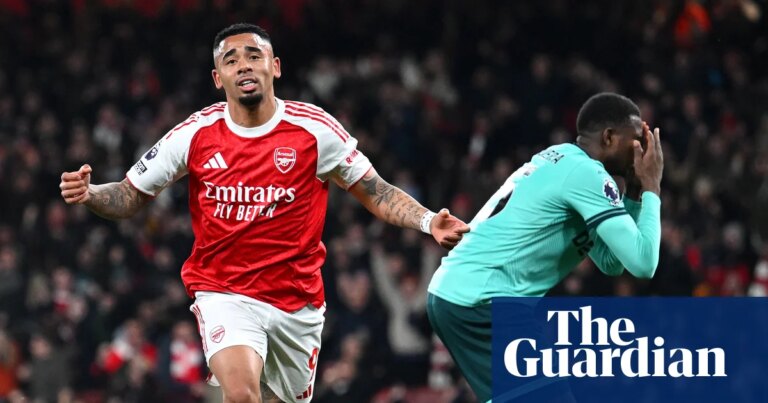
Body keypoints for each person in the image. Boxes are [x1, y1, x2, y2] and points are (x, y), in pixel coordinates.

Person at [59, 23, 470, 403]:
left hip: (297, 303)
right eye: (231, 59)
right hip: (224, 291)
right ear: (218, 78)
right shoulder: (194, 134)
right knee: (242, 395)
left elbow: (376, 192)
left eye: (254, 56)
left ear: (275, 67)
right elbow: (129, 195)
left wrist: (427, 221)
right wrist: (91, 193)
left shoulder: (314, 130)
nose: (244, 65)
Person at [426, 92, 664, 402]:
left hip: (457, 292)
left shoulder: (562, 160)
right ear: (609, 137)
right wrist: (652, 187)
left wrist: (634, 190)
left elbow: (611, 262)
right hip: (483, 299)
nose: (640, 150)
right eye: (635, 140)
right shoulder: (587, 175)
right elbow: (644, 264)